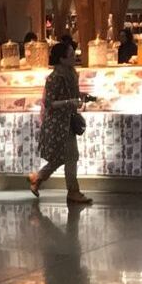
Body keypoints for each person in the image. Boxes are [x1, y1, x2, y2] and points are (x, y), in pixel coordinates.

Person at [28, 41, 93, 205]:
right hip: (57, 124)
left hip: (68, 121)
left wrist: (85, 96)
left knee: (63, 156)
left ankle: (38, 177)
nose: (74, 57)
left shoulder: (72, 73)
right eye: (71, 55)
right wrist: (69, 102)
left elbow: (74, 94)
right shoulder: (54, 78)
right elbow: (49, 103)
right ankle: (73, 191)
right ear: (61, 59)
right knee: (70, 156)